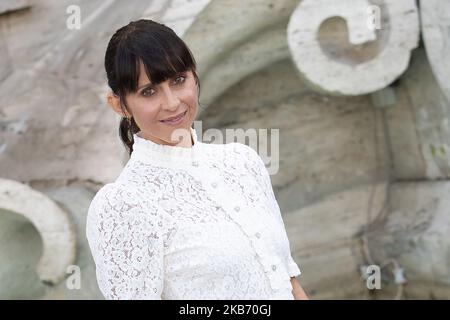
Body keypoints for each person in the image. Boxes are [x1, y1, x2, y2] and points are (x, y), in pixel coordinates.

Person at [85, 19, 308, 300]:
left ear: (194, 75)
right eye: (149, 91)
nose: (172, 103)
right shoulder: (122, 204)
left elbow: (288, 282)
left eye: (178, 80)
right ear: (120, 105)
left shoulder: (242, 162)